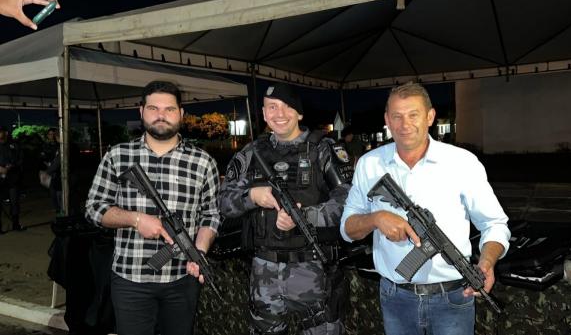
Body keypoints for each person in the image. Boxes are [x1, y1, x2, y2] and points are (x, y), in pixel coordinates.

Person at [340, 82, 510, 335]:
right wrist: (376, 218)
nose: (404, 124)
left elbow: (494, 224)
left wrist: (487, 261)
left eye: (413, 115)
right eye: (396, 116)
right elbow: (347, 229)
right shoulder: (369, 164)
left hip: (453, 297)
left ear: (430, 117)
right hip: (395, 297)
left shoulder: (461, 162)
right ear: (387, 119)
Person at [85, 80, 220, 335]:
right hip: (129, 279)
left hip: (182, 279)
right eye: (153, 108)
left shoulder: (203, 162)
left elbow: (211, 214)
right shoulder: (117, 155)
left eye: (169, 109)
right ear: (141, 111)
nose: (161, 115)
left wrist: (198, 252)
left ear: (181, 113)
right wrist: (136, 219)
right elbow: (94, 208)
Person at [219, 82, 354, 335]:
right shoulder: (251, 153)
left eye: (287, 107)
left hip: (313, 269)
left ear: (300, 113)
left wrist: (306, 216)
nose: (279, 114)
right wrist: (252, 196)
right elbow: (223, 203)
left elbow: (349, 201)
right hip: (264, 271)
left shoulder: (323, 149)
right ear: (263, 113)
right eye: (272, 107)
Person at [0, 126, 24, 232]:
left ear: (5, 133)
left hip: (13, 177)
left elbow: (20, 159)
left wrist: (11, 166)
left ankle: (15, 224)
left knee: (14, 202)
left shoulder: (14, 144)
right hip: (0, 178)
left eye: (1, 132)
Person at [40, 127, 61, 213]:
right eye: (49, 134)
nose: (51, 136)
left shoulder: (59, 145)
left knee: (58, 189)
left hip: (57, 170)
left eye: (53, 134)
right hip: (49, 169)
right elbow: (41, 157)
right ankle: (56, 207)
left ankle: (60, 208)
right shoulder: (45, 145)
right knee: (52, 190)